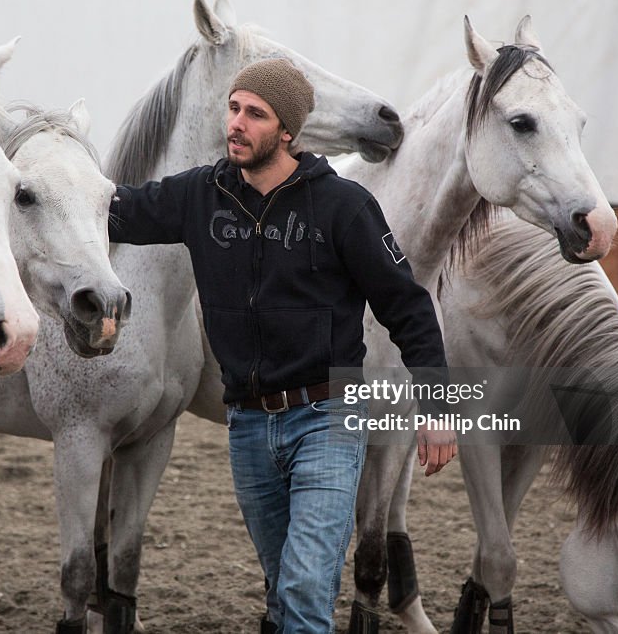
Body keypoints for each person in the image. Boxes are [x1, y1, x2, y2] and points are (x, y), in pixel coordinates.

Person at [109, 58, 455, 633]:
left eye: (256, 114)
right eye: (234, 108)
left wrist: (441, 408)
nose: (237, 124)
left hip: (329, 419)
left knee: (302, 588)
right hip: (246, 426)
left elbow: (409, 308)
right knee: (284, 588)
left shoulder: (344, 207)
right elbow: (113, 210)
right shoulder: (200, 195)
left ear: (288, 132)